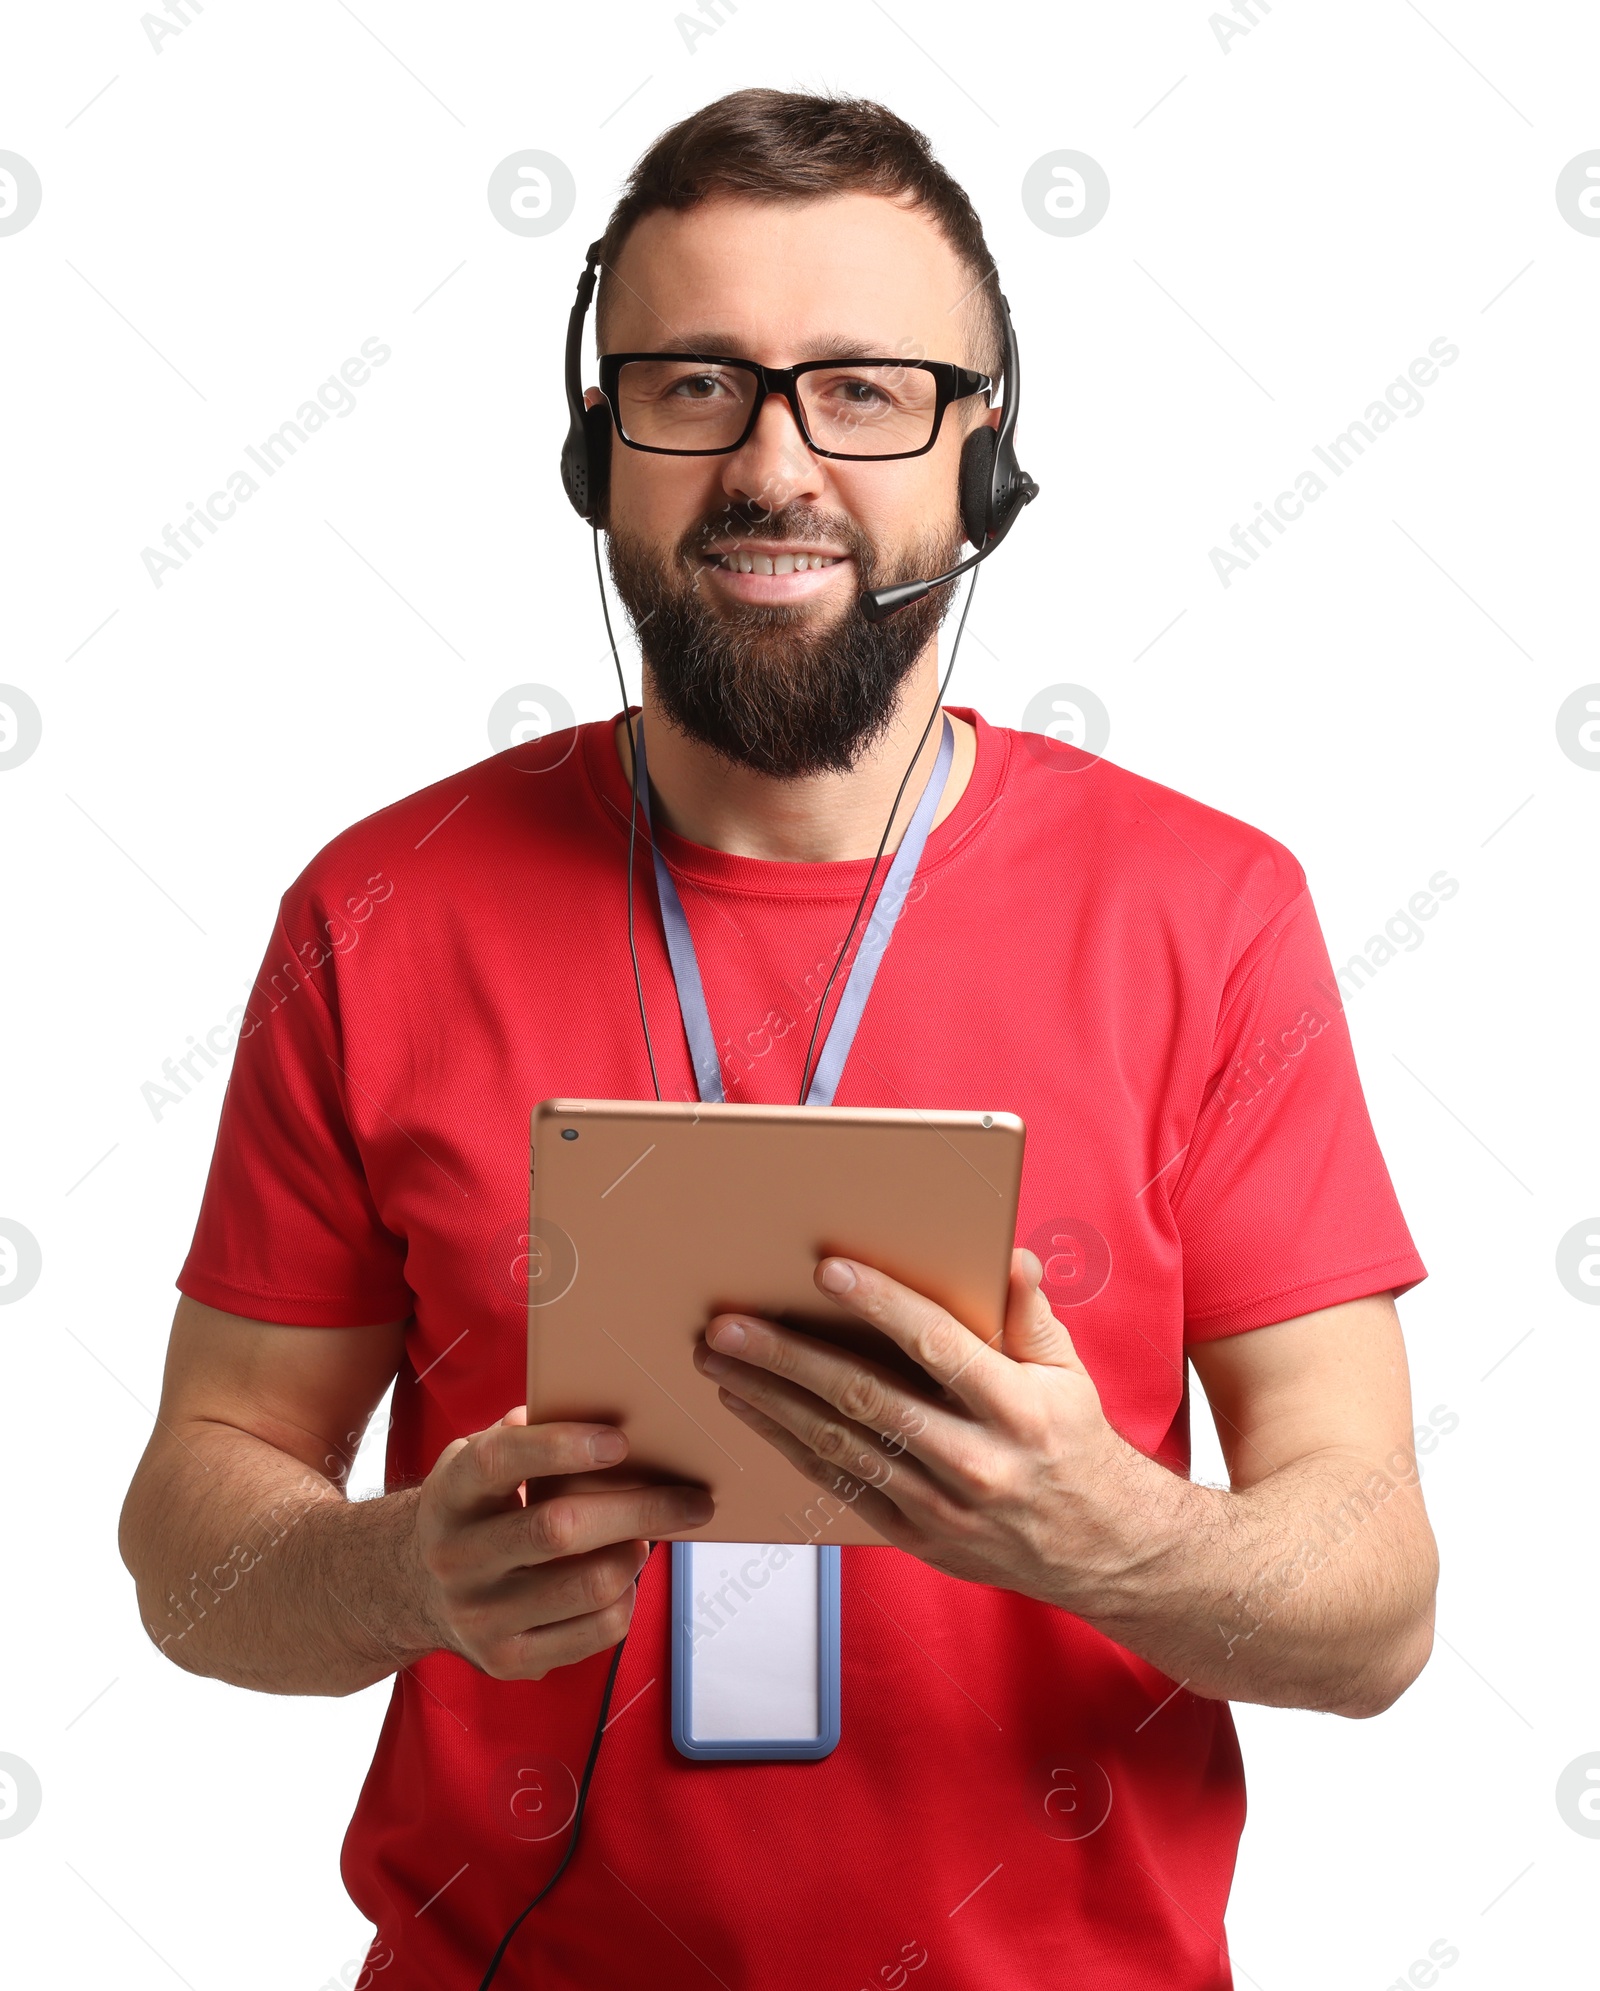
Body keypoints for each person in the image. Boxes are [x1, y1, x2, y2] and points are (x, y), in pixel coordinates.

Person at [119, 88, 1438, 1991]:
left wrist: (1103, 1533)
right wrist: (408, 1569)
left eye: (866, 391)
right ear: (599, 449)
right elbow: (192, 1538)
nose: (774, 462)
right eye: (695, 384)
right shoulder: (375, 907)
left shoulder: (1210, 914)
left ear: (984, 461)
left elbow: (1376, 1604)